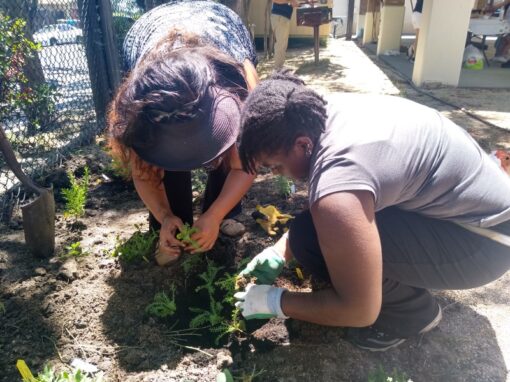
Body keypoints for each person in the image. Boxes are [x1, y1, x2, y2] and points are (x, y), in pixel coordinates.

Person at [234, 71, 510, 351]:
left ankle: (411, 315)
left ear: (303, 144)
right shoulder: (317, 112)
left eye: (275, 166)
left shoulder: (339, 175)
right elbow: (337, 195)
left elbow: (359, 311)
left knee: (310, 239)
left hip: (485, 244)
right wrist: (281, 250)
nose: (280, 175)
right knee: (313, 228)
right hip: (475, 212)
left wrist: (274, 301)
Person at [108, 1, 258, 264]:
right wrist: (165, 216)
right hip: (152, 30)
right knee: (167, 179)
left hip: (218, 24)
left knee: (230, 153)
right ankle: (171, 228)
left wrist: (215, 214)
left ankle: (223, 217)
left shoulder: (238, 84)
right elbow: (143, 171)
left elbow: (245, 165)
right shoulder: (139, 111)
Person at [271, 0, 299, 69]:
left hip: (282, 18)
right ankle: (277, 69)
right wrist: (290, 2)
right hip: (280, 17)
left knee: (282, 45)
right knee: (280, 45)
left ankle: (280, 68)